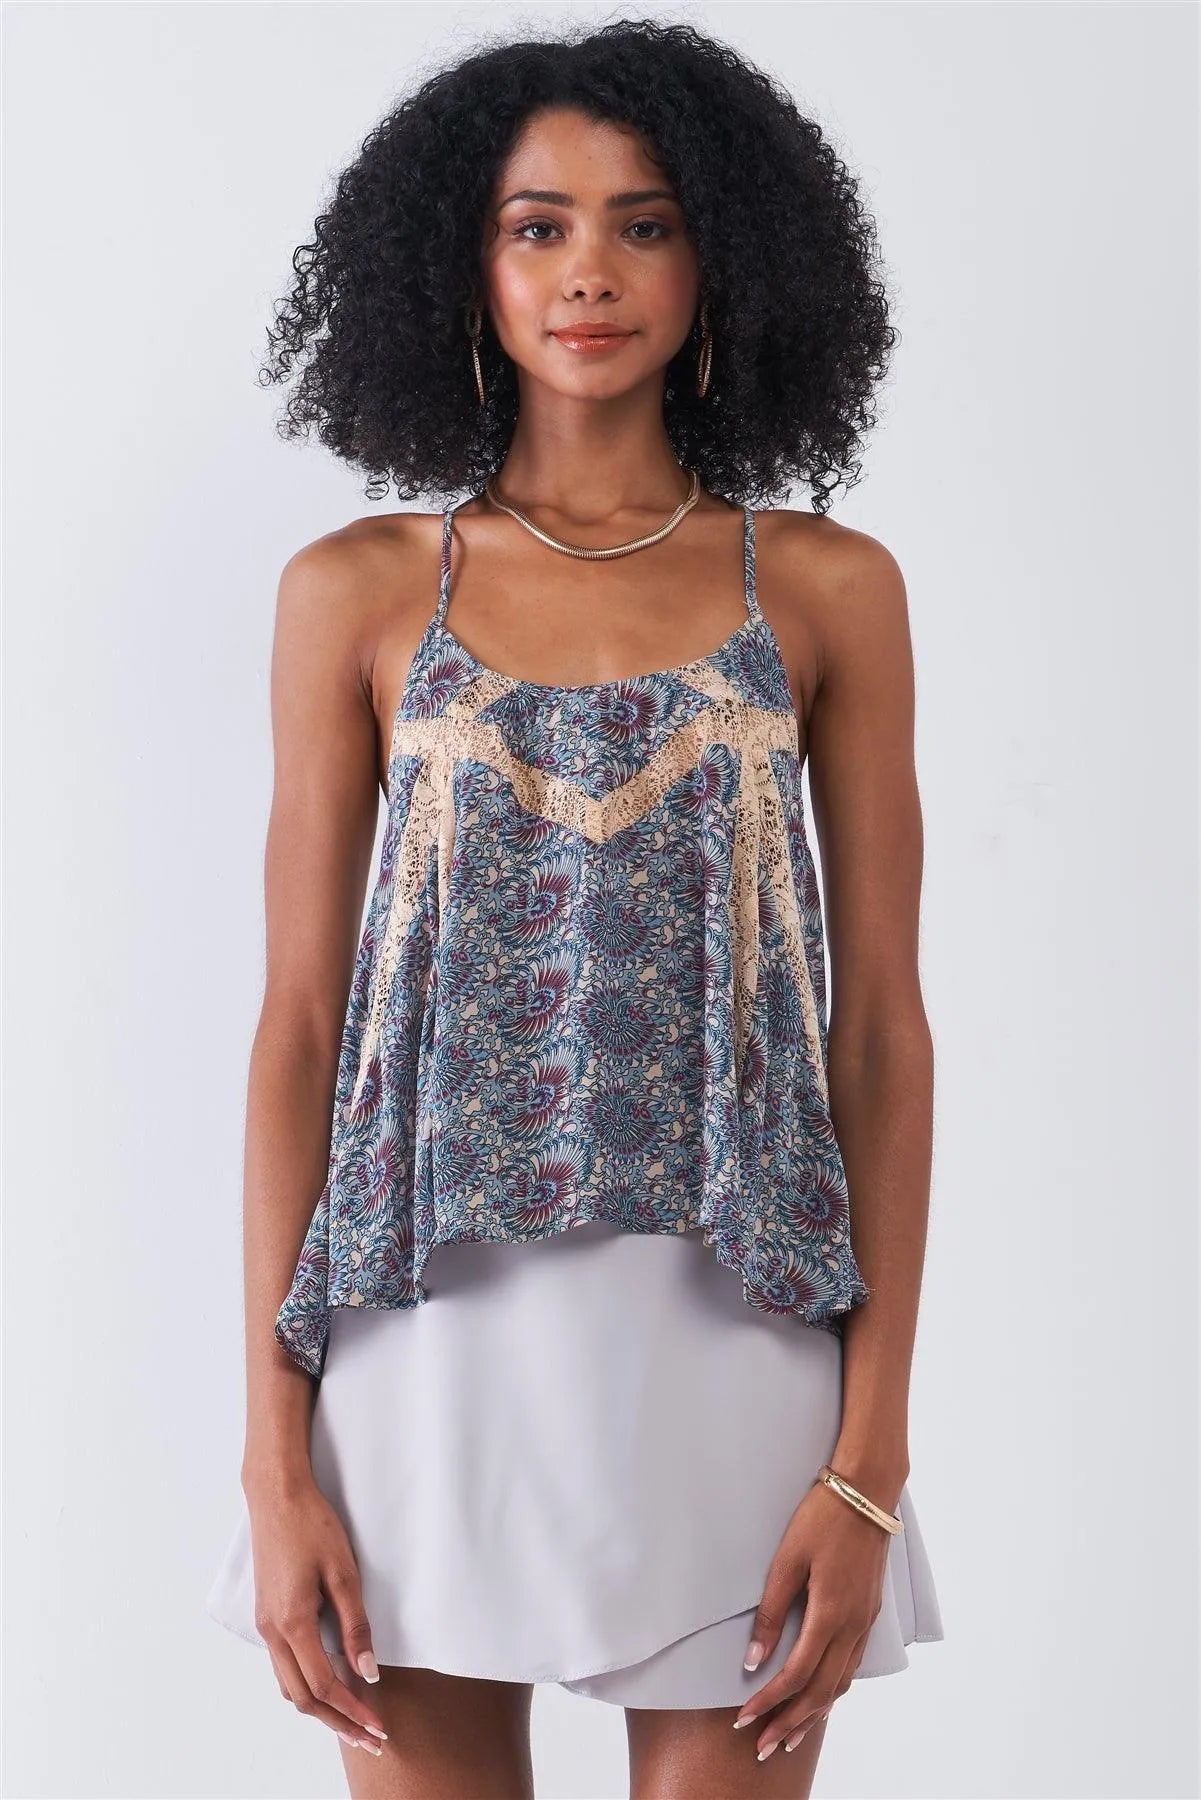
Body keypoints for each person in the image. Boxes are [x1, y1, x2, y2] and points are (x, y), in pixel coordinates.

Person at [204, 18, 944, 1796]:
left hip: (740, 1327)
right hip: (421, 1339)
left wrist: (868, 1462)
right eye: (536, 226)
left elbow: (876, 1033)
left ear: (723, 259)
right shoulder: (359, 589)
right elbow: (300, 1029)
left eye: (644, 223)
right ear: (462, 265)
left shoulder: (824, 587)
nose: (588, 273)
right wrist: (274, 1459)